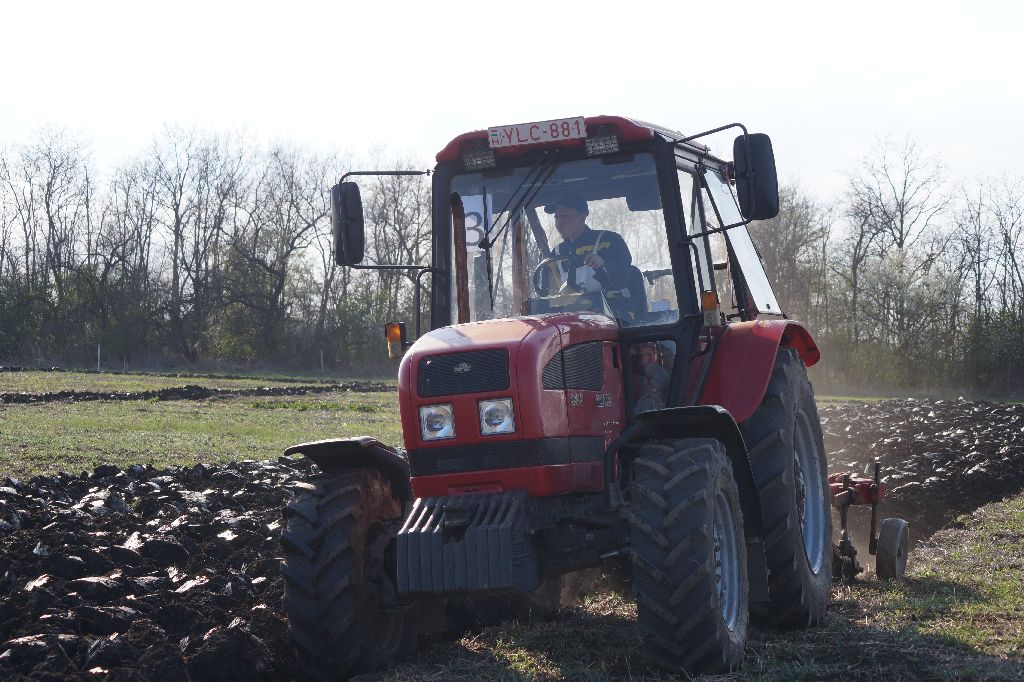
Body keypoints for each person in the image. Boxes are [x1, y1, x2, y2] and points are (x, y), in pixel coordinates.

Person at [541, 197, 638, 319]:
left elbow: (624, 274)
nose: (559, 223)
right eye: (556, 218)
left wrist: (604, 266)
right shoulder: (555, 254)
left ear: (583, 216)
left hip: (616, 316)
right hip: (572, 318)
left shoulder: (610, 241)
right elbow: (545, 293)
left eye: (565, 216)